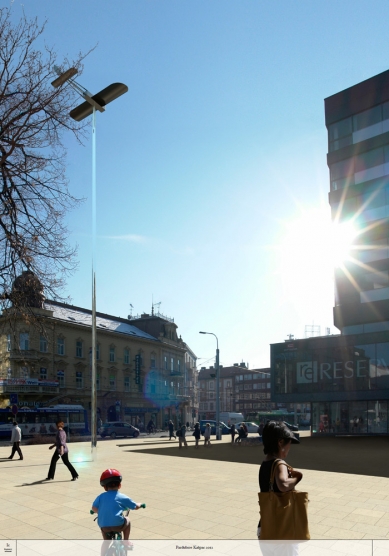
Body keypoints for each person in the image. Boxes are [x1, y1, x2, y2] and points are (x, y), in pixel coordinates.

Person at [258, 421, 302, 544]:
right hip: (280, 528)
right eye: (289, 444)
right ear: (280, 442)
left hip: (264, 525)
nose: (289, 448)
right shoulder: (279, 464)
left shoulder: (265, 463)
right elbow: (283, 485)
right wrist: (298, 477)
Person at [92, 468, 142, 553]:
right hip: (118, 525)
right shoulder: (122, 497)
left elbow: (94, 508)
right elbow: (135, 506)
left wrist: (101, 512)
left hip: (104, 526)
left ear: (104, 487)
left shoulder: (100, 496)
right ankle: (126, 541)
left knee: (106, 542)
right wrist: (140, 504)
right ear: (119, 485)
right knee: (128, 520)